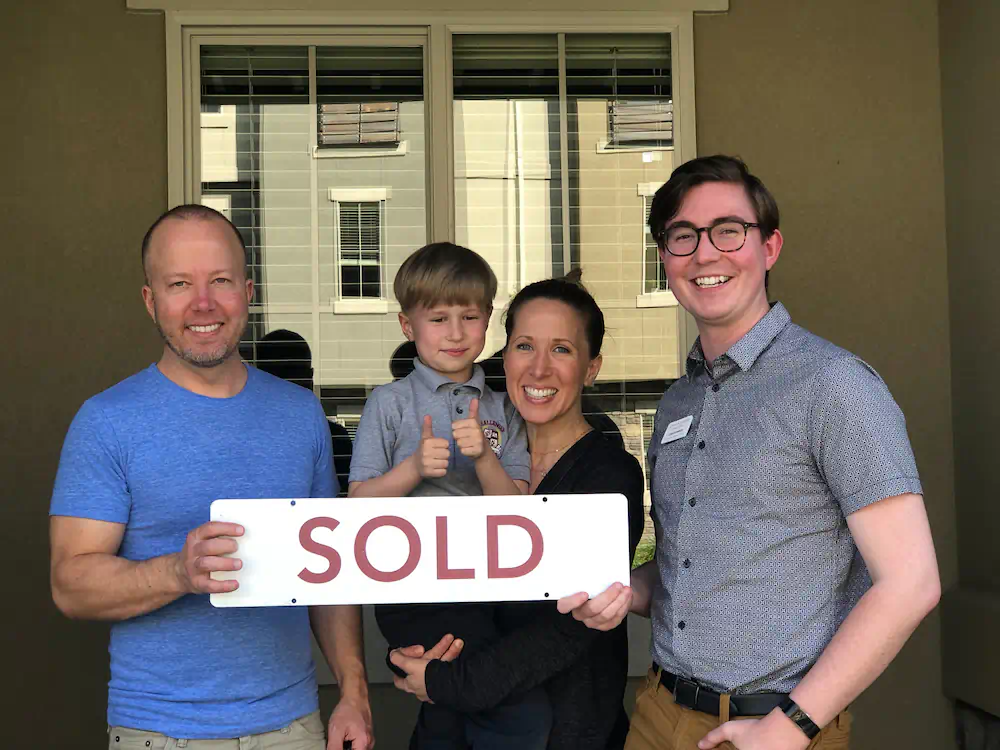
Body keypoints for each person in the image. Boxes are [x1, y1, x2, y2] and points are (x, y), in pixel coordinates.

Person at [559, 155, 941, 750]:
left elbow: (911, 581)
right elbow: (692, 568)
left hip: (775, 727)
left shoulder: (833, 385)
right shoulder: (677, 403)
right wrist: (622, 591)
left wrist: (793, 725)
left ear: (770, 248)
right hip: (658, 713)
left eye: (729, 231)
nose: (705, 254)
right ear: (665, 259)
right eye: (683, 237)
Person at [49, 204, 373, 750]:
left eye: (220, 281)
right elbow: (70, 586)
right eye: (180, 284)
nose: (203, 303)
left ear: (247, 290)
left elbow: (330, 575)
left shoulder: (299, 415)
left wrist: (354, 692)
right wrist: (178, 571)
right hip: (159, 730)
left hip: (294, 725)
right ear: (151, 300)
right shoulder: (107, 421)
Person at [389, 274, 645, 750]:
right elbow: (414, 572)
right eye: (525, 346)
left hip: (566, 733)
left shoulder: (609, 476)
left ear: (592, 367)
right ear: (504, 357)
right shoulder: (463, 460)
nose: (540, 369)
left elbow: (570, 629)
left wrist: (448, 682)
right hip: (453, 728)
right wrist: (410, 654)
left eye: (562, 350)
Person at [347, 241, 550, 749]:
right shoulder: (389, 403)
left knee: (450, 714)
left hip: (492, 585)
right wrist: (413, 468)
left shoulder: (507, 406)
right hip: (416, 588)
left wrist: (484, 457)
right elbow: (357, 503)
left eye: (470, 316)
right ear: (406, 324)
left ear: (488, 322)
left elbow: (521, 506)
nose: (456, 333)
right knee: (516, 714)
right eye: (438, 318)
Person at [254, 328, 354, 497]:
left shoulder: (334, 437)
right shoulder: (335, 436)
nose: (287, 388)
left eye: (294, 375)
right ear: (310, 376)